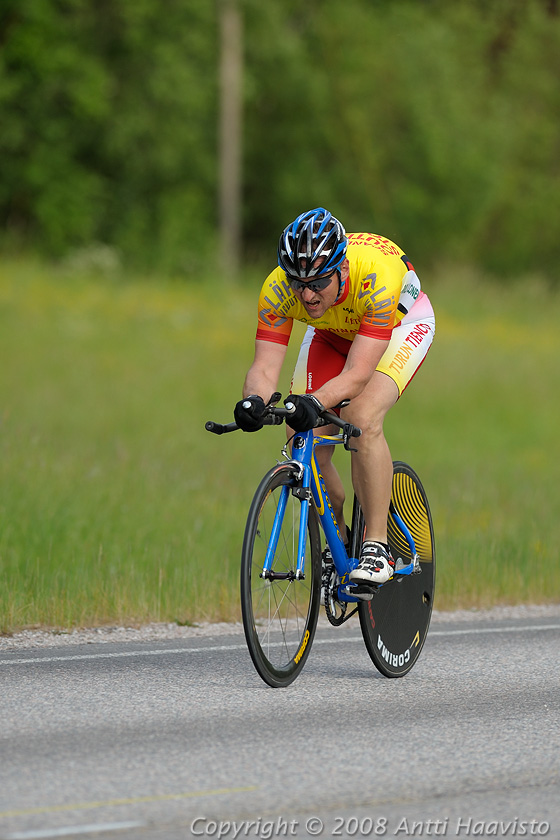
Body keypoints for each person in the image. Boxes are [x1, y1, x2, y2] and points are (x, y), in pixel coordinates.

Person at [234, 208, 435, 597]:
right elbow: (263, 366)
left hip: (396, 327)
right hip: (330, 330)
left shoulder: (374, 276)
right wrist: (252, 402)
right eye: (298, 282)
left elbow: (358, 375)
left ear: (342, 268)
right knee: (299, 434)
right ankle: (339, 540)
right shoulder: (277, 289)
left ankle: (376, 547)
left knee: (361, 416)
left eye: (319, 282)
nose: (307, 294)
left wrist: (315, 401)